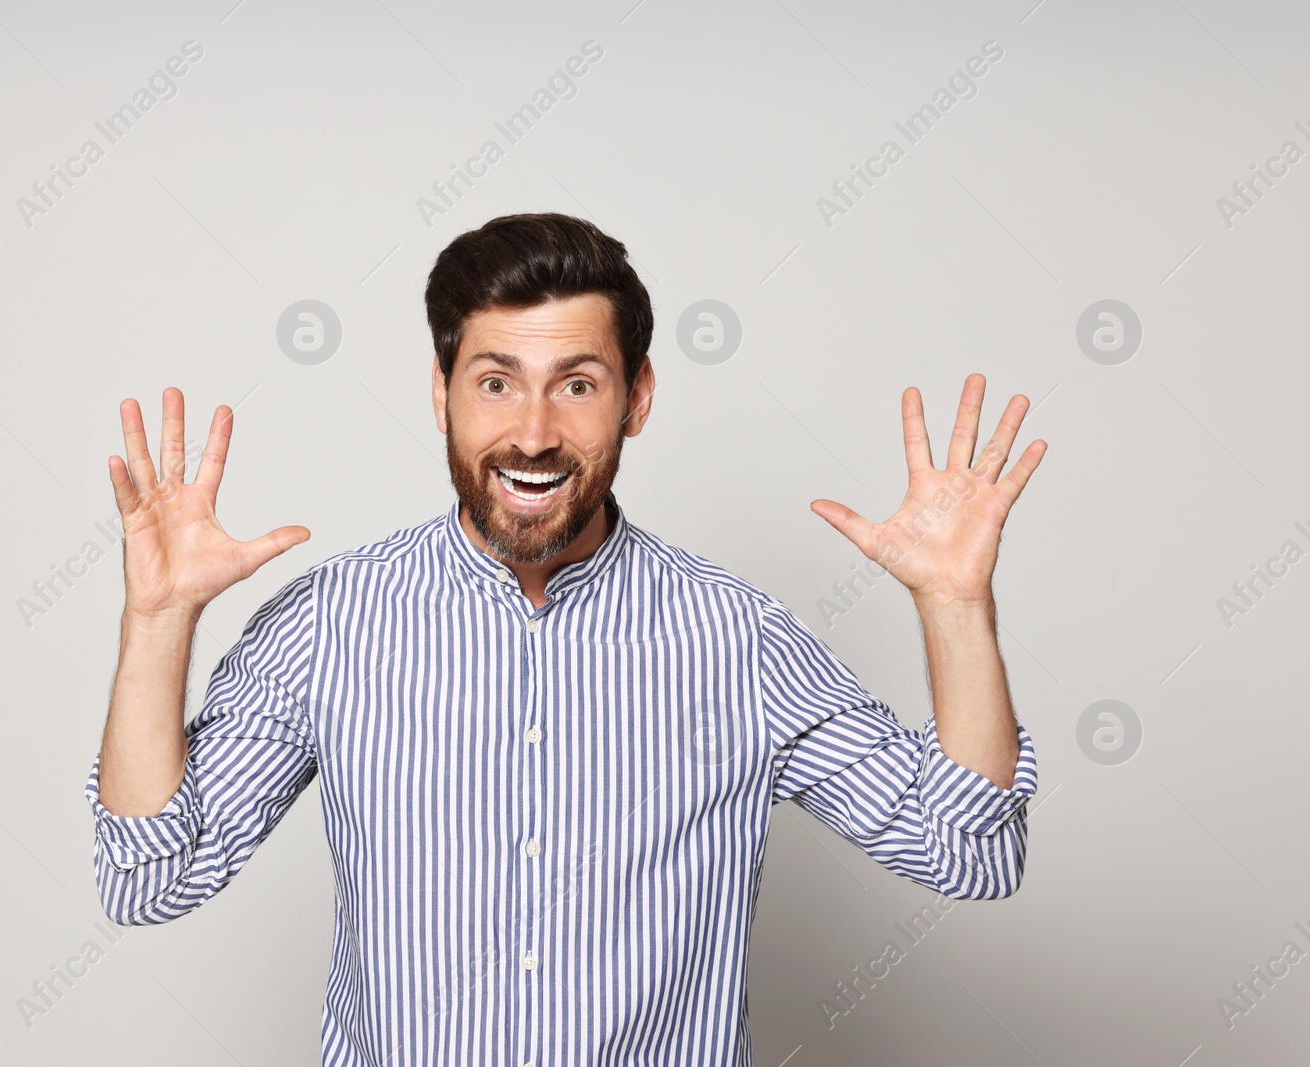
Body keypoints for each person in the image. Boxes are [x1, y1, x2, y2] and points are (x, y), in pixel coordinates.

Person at [84, 212, 1046, 1066]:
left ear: (638, 398)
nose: (534, 432)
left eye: (577, 385)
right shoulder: (329, 624)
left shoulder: (736, 638)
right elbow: (150, 877)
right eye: (496, 382)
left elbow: (966, 852)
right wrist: (159, 623)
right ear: (441, 391)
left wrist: (957, 607)